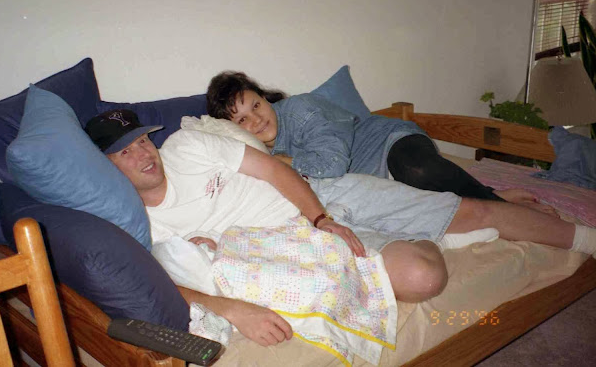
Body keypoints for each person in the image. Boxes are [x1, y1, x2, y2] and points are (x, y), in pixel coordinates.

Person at [84, 108, 596, 347]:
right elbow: (158, 280)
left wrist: (323, 217)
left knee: (476, 210)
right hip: (295, 243)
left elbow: (276, 171)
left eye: (142, 139)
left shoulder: (186, 146)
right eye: (125, 151)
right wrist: (232, 308)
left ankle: (588, 237)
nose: (144, 153)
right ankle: (436, 236)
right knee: (424, 276)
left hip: (321, 198)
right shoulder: (135, 221)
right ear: (104, 168)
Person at [205, 71, 556, 216]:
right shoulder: (257, 152)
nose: (256, 119)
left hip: (390, 144)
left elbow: (332, 164)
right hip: (376, 182)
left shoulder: (299, 109)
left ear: (264, 97)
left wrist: (287, 163)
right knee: (424, 205)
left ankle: (500, 204)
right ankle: (486, 193)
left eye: (256, 105)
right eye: (242, 120)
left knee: (416, 170)